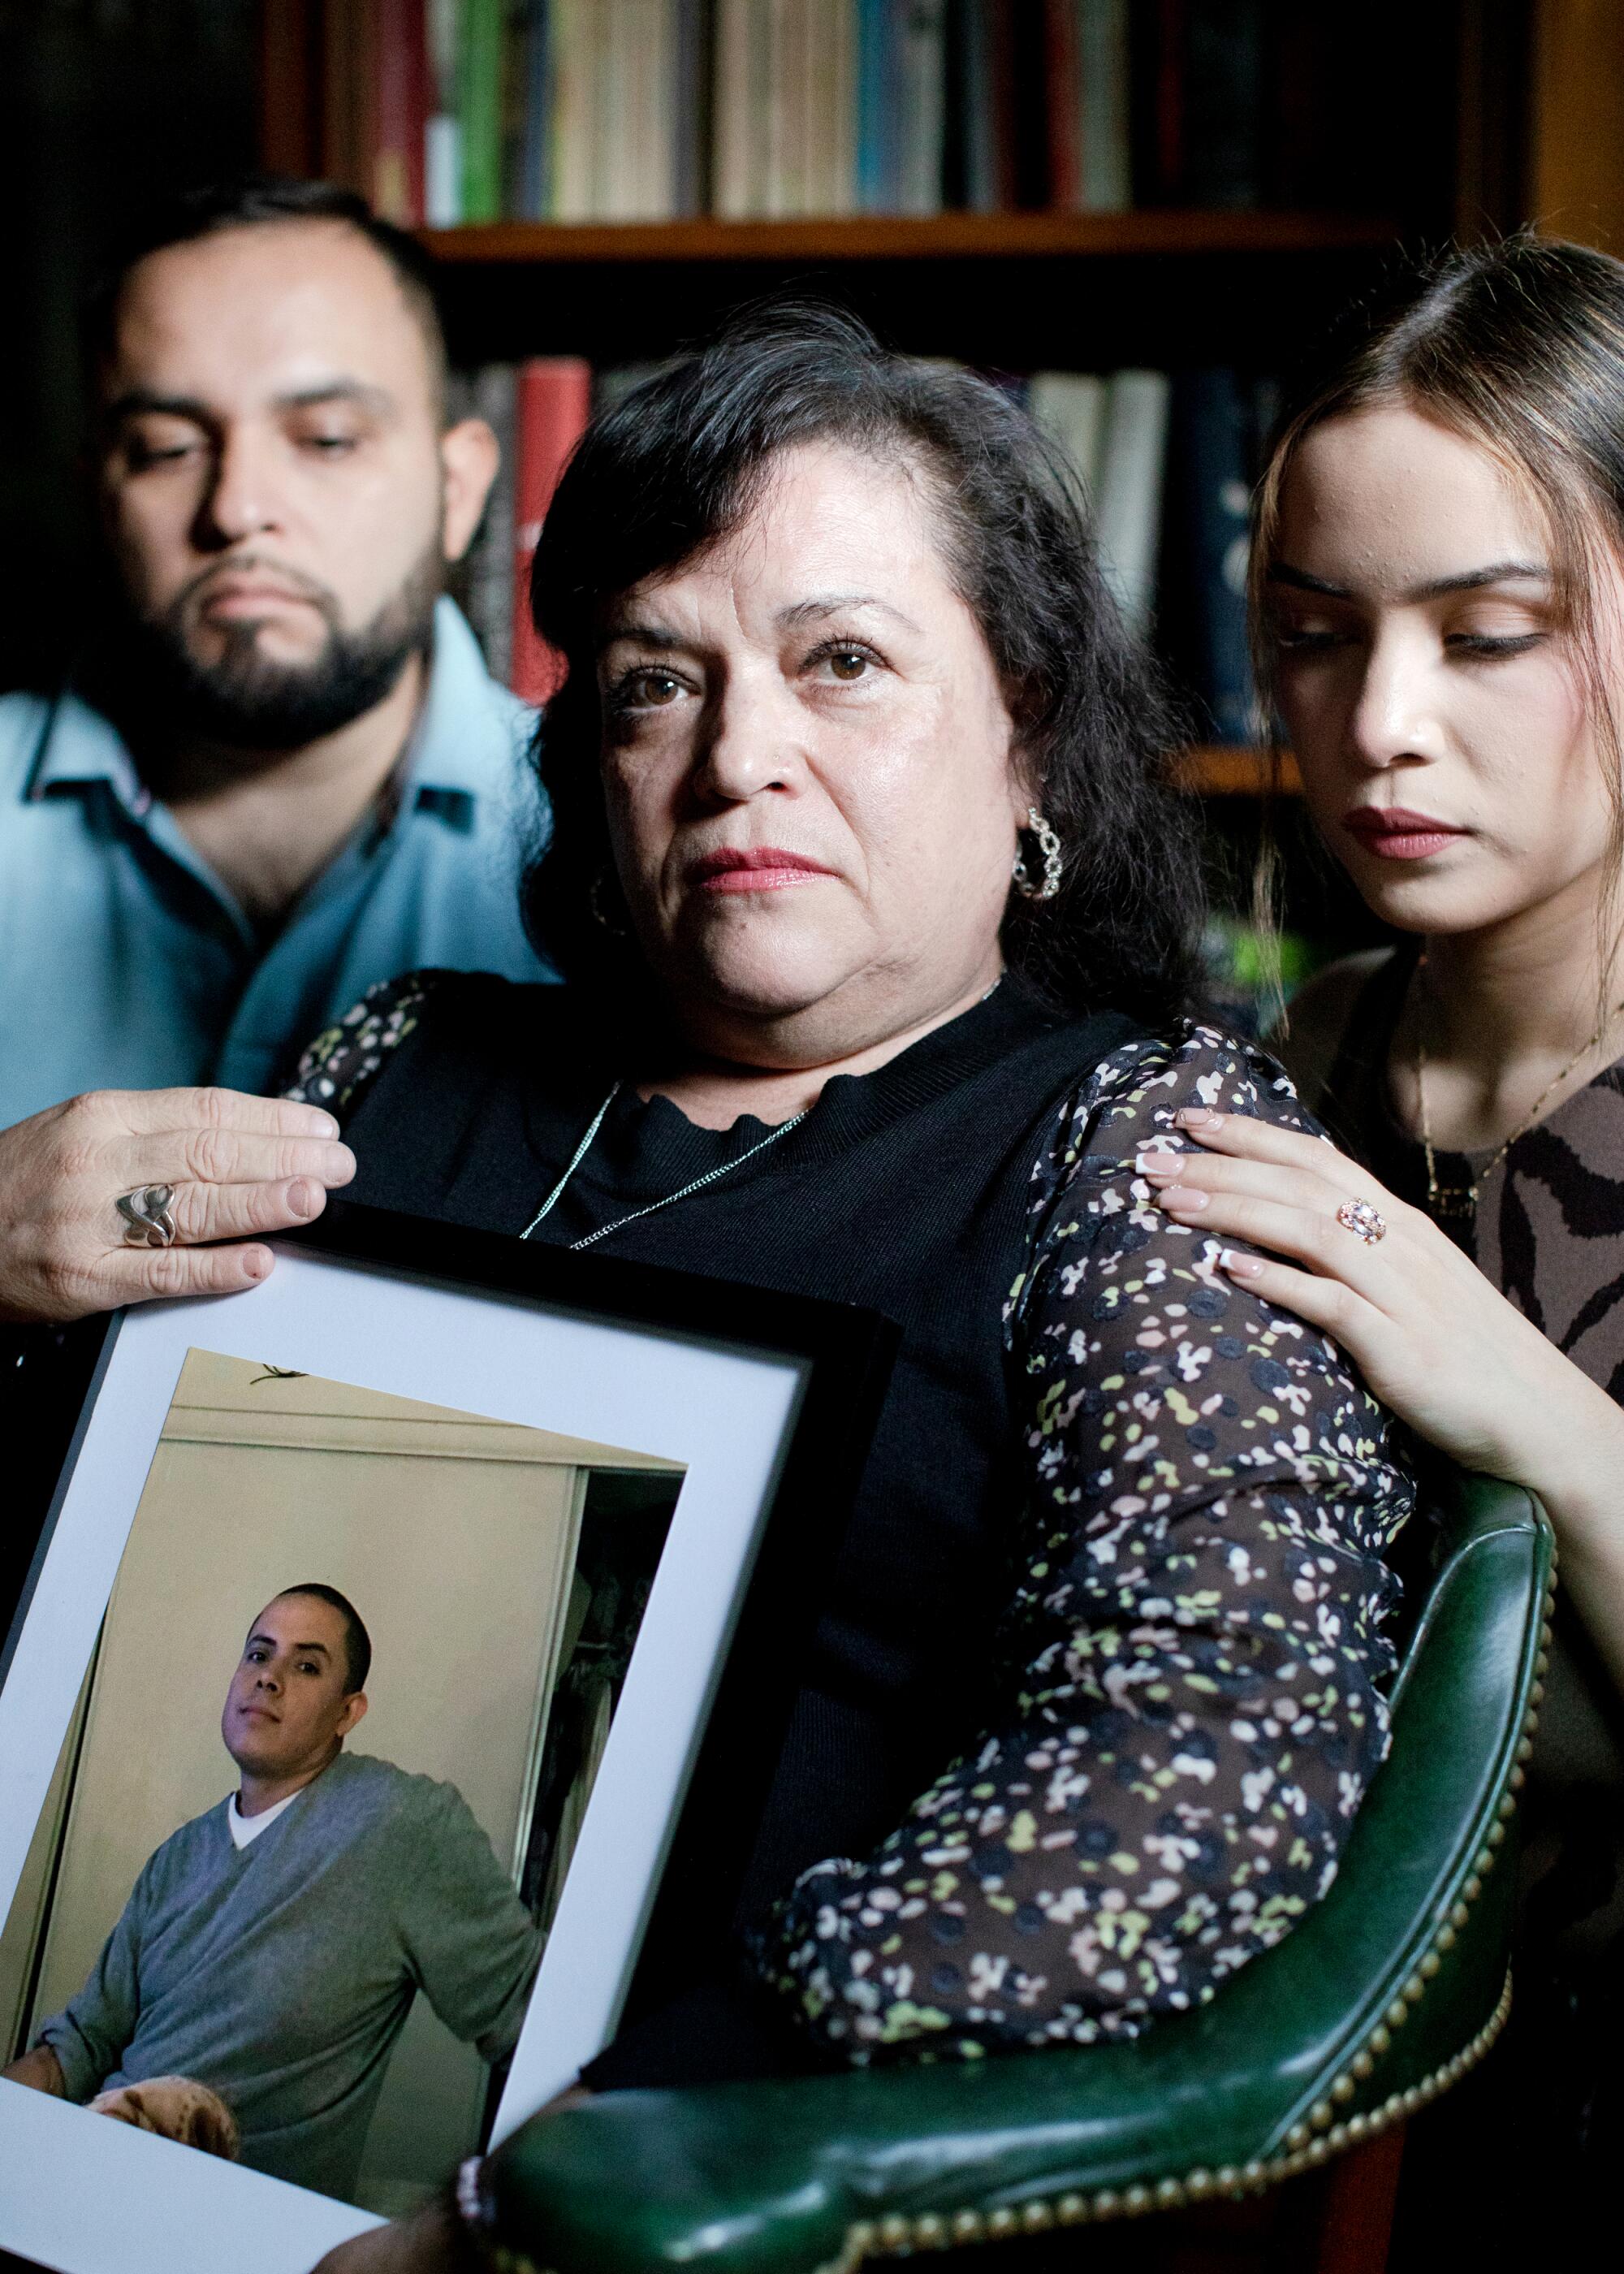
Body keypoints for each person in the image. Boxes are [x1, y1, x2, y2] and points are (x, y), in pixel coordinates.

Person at [3, 308, 1415, 2265]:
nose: (739, 753)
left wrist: (578, 2183)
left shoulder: (1142, 1149)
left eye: (841, 663)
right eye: (658, 683)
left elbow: (1199, 1778)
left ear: (1024, 739)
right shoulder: (396, 1058)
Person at [1123, 236, 1624, 2249]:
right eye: (1315, 634)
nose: (1377, 722)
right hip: (1264, 2150)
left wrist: (1516, 1395)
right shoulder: (1263, 1069)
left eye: (1484, 633)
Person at [0, 173, 551, 1133]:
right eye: (169, 447)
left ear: (459, 492)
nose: (238, 508)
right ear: (100, 497)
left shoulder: (615, 850)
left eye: (326, 439)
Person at [3, 1584, 542, 2203]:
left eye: (307, 1665)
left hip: (236, 2223)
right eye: (259, 1655)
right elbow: (82, 2043)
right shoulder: (177, 1859)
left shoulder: (402, 1824)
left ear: (348, 1713)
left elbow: (528, 2014)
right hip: (93, 2177)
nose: (269, 1679)